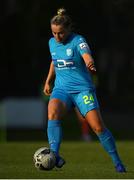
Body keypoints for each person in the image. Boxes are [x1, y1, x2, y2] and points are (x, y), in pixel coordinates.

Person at [43, 8, 126, 172]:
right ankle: (55, 155)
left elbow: (86, 55)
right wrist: (48, 81)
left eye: (60, 33)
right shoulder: (52, 43)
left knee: (98, 128)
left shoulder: (78, 40)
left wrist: (89, 62)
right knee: (52, 112)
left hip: (82, 91)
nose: (57, 37)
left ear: (68, 29)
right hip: (61, 89)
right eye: (54, 33)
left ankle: (117, 162)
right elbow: (54, 61)